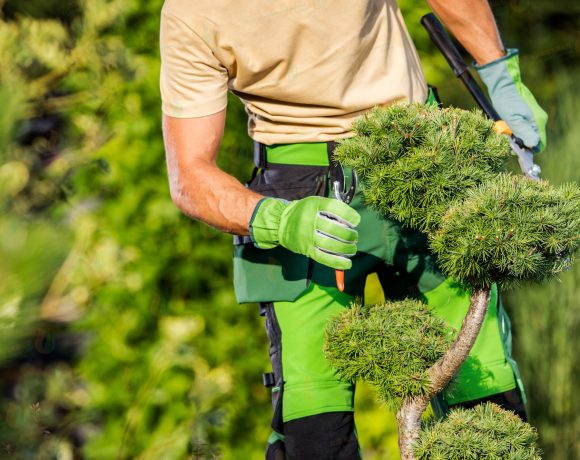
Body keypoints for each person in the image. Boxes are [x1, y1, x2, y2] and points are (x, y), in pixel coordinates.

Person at [159, 1, 547, 458]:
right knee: (313, 425)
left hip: (420, 159)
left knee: (485, 395)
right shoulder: (190, 12)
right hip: (298, 192)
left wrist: (499, 73)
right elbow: (189, 175)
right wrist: (277, 220)